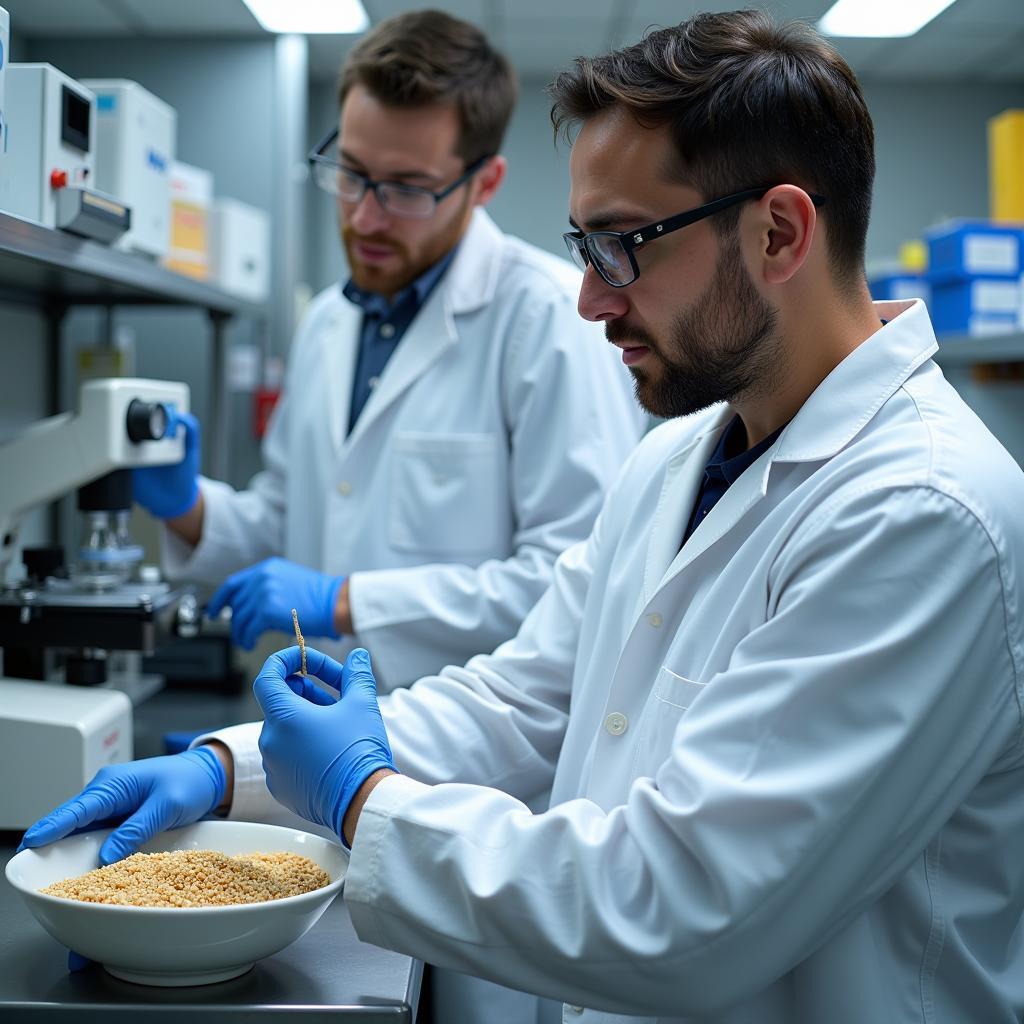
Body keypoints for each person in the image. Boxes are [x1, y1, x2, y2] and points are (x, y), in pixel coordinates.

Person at [23, 10, 1024, 1024]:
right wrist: (229, 767)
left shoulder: (918, 514)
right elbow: (524, 699)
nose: (590, 299)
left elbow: (683, 908)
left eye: (622, 247)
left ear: (778, 232)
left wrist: (361, 797)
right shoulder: (680, 455)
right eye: (582, 247)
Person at [134, 9, 644, 689]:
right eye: (350, 173)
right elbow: (291, 518)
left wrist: (345, 600)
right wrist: (185, 508)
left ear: (484, 183)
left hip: (462, 769)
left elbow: (576, 579)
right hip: (309, 732)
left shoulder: (547, 319)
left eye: (406, 188)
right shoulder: (327, 321)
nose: (365, 217)